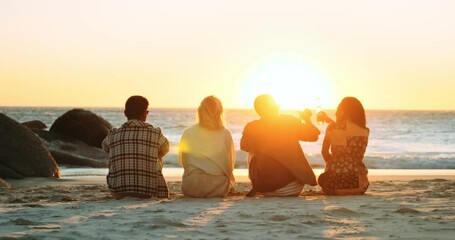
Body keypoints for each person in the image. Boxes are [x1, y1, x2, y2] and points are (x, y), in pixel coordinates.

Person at [240, 94, 320, 197]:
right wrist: (306, 119)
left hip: (266, 189)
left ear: (258, 110)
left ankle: (258, 182)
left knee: (253, 148)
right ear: (275, 106)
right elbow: (313, 136)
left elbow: (244, 146)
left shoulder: (252, 126)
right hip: (293, 188)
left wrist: (264, 144)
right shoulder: (289, 121)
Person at [102, 95, 170, 199]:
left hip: (118, 192)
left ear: (125, 113)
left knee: (113, 150)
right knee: (158, 151)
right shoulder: (155, 133)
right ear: (145, 113)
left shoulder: (112, 134)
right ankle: (149, 183)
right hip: (148, 192)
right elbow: (166, 149)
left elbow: (105, 148)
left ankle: (122, 183)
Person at [178, 96, 235, 198]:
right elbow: (229, 164)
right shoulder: (225, 133)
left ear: (200, 111)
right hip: (217, 187)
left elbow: (184, 162)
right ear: (219, 113)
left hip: (191, 186)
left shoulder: (187, 132)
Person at [317, 97, 370, 195]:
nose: (335, 114)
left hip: (333, 183)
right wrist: (329, 120)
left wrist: (332, 163)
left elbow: (324, 151)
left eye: (337, 110)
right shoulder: (365, 131)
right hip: (360, 184)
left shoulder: (332, 128)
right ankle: (350, 191)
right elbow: (346, 131)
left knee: (322, 178)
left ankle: (337, 191)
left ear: (343, 111)